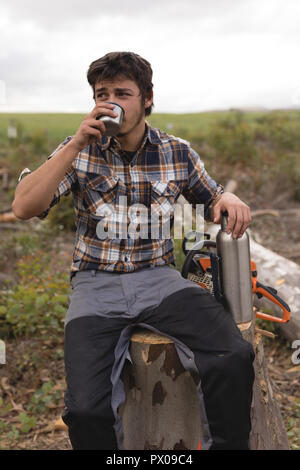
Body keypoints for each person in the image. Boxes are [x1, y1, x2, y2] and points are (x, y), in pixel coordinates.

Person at [12, 51, 255, 450]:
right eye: (100, 94)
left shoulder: (175, 150)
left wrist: (227, 197)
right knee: (86, 411)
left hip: (159, 280)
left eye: (122, 93)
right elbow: (24, 207)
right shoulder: (77, 150)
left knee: (232, 356)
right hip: (95, 285)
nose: (110, 103)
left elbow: (212, 197)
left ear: (147, 98)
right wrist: (75, 144)